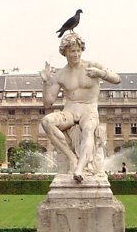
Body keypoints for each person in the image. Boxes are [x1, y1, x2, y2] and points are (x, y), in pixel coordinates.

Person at [39, 31, 120, 182]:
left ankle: (80, 168)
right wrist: (45, 83)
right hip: (69, 111)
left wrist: (101, 73)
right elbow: (48, 103)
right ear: (65, 53)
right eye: (71, 51)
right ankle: (72, 158)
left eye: (78, 50)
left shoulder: (92, 67)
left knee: (89, 129)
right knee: (46, 122)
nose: (75, 54)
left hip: (89, 110)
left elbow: (117, 79)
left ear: (82, 50)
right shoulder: (61, 74)